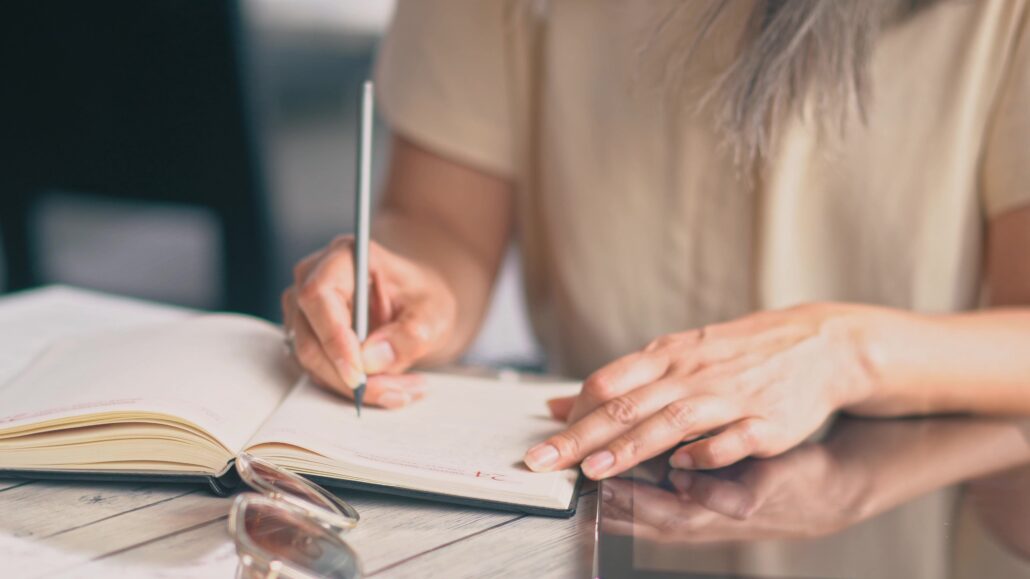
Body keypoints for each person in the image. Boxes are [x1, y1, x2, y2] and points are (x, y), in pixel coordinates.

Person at [281, 0, 1030, 481]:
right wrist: (413, 285)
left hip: (917, 500)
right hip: (595, 483)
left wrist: (844, 350)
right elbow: (441, 221)